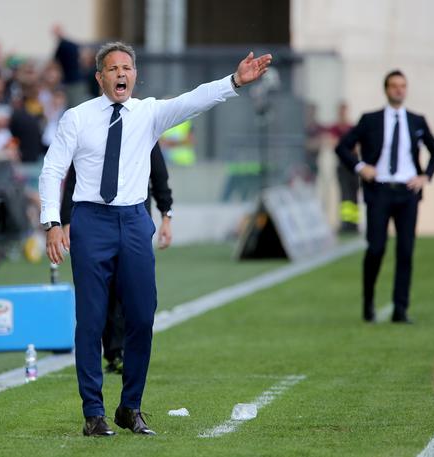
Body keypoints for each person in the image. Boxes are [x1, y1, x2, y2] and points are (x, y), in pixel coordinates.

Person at [39, 41, 272, 436]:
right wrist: (52, 222)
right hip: (91, 220)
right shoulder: (77, 118)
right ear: (100, 77)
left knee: (143, 316)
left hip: (133, 221)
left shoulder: (148, 113)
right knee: (91, 320)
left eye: (127, 68)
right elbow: (52, 170)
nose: (121, 74)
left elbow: (192, 101)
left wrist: (234, 81)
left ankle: (130, 407)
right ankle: (93, 413)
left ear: (135, 75)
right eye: (113, 69)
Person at [336, 70, 434, 324]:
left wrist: (425, 176)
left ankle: (400, 309)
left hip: (407, 192)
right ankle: (368, 302)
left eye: (403, 85)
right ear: (386, 89)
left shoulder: (417, 120)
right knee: (376, 248)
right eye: (394, 85)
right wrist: (361, 167)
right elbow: (342, 147)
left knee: (405, 251)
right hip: (379, 190)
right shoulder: (370, 119)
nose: (399, 90)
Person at [60, 142, 173, 374]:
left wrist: (166, 215)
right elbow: (76, 175)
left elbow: (159, 174)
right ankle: (115, 351)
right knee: (104, 291)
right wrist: (66, 219)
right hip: (96, 223)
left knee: (135, 294)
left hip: (134, 222)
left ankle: (129, 352)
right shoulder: (92, 128)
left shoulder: (144, 126)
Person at [327, 102, 360, 233]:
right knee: (345, 196)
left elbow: (356, 147)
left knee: (354, 195)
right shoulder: (335, 128)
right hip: (342, 166)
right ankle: (346, 223)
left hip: (353, 165)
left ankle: (354, 223)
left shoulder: (352, 128)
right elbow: (334, 145)